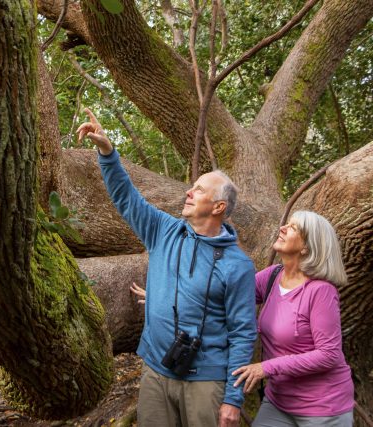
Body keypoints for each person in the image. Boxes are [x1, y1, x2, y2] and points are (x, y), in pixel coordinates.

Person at [78, 108, 257, 427]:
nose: (188, 192)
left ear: (218, 207)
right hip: (156, 371)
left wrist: (233, 397)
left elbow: (243, 333)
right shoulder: (164, 231)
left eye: (199, 190)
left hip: (206, 381)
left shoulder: (238, 265)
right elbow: (127, 199)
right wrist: (107, 151)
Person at [232, 211, 354, 426]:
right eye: (286, 224)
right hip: (279, 402)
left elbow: (328, 354)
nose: (282, 228)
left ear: (306, 246)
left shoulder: (320, 291)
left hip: (324, 408)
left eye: (293, 228)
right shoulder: (271, 276)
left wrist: (266, 367)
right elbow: (230, 297)